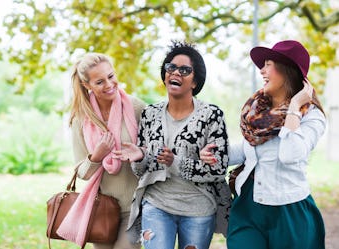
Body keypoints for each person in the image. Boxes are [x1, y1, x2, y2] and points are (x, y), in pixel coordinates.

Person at [200, 40, 326, 249]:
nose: (261, 70)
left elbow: (290, 154)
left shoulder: (312, 117)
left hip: (289, 212)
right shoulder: (258, 114)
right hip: (248, 208)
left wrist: (294, 106)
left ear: (288, 70)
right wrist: (213, 154)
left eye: (268, 64)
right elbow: (248, 150)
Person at [113, 41, 231, 249]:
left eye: (185, 70)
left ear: (195, 82)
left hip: (198, 209)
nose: (176, 73)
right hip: (157, 205)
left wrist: (175, 162)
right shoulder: (150, 114)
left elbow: (218, 168)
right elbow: (141, 170)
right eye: (171, 67)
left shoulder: (211, 116)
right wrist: (139, 158)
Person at [56, 53, 146, 249]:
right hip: (101, 207)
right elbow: (82, 172)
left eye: (111, 76)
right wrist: (97, 156)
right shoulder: (81, 118)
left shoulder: (136, 107)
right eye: (99, 81)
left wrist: (140, 152)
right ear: (87, 85)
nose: (109, 84)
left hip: (136, 206)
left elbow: (154, 150)